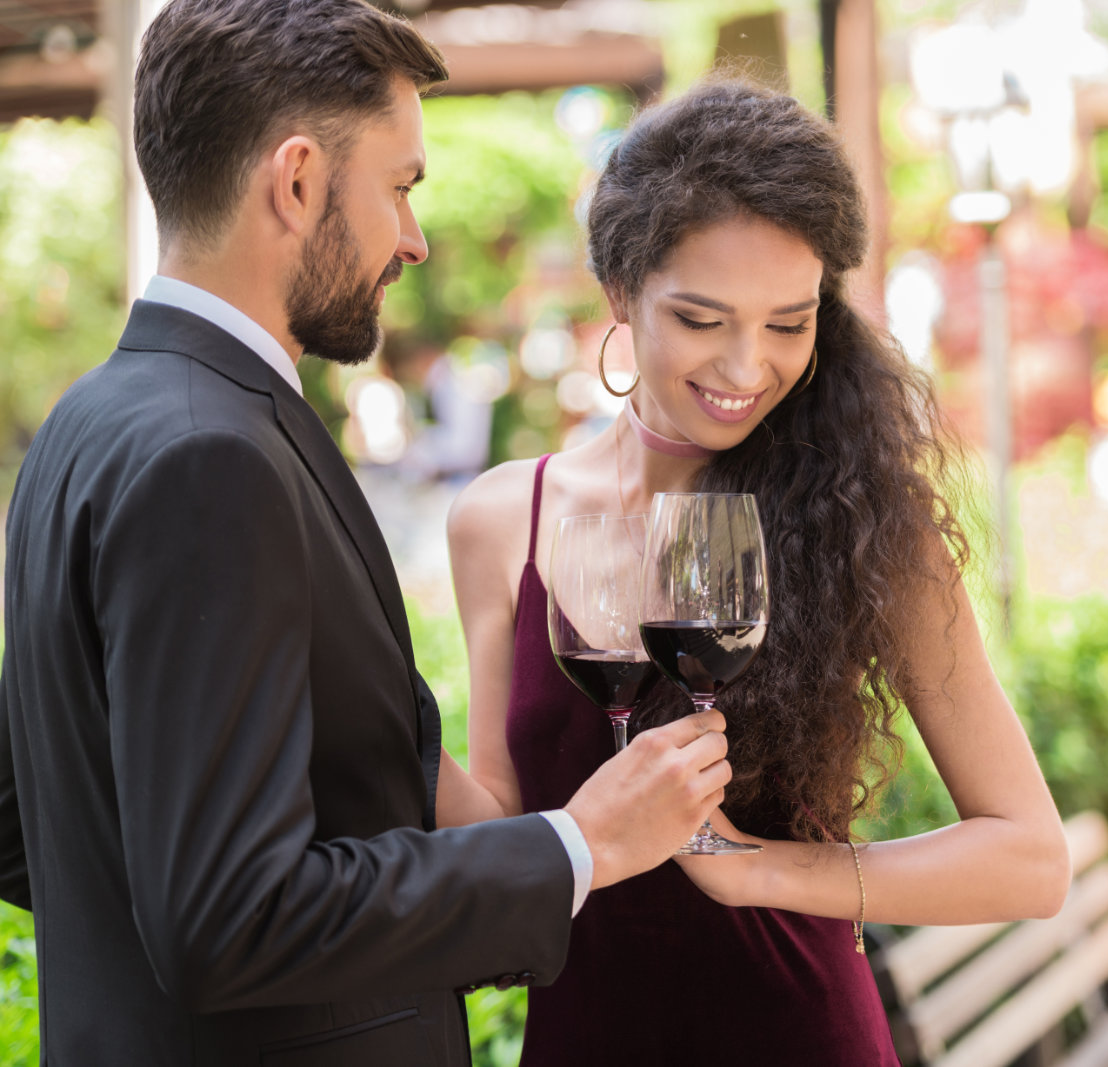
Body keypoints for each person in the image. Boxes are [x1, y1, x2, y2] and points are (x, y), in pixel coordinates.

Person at [0, 2, 730, 1064]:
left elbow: (30, 814)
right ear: (296, 182)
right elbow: (233, 919)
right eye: (400, 187)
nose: (416, 238)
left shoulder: (88, 421)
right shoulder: (215, 456)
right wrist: (580, 844)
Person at [443, 81, 1072, 1065]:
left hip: (796, 1029)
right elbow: (500, 820)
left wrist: (763, 872)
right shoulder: (499, 521)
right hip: (584, 1037)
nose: (748, 365)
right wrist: (367, 696)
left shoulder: (858, 515)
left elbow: (1030, 857)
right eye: (702, 318)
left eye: (789, 321)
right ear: (620, 290)